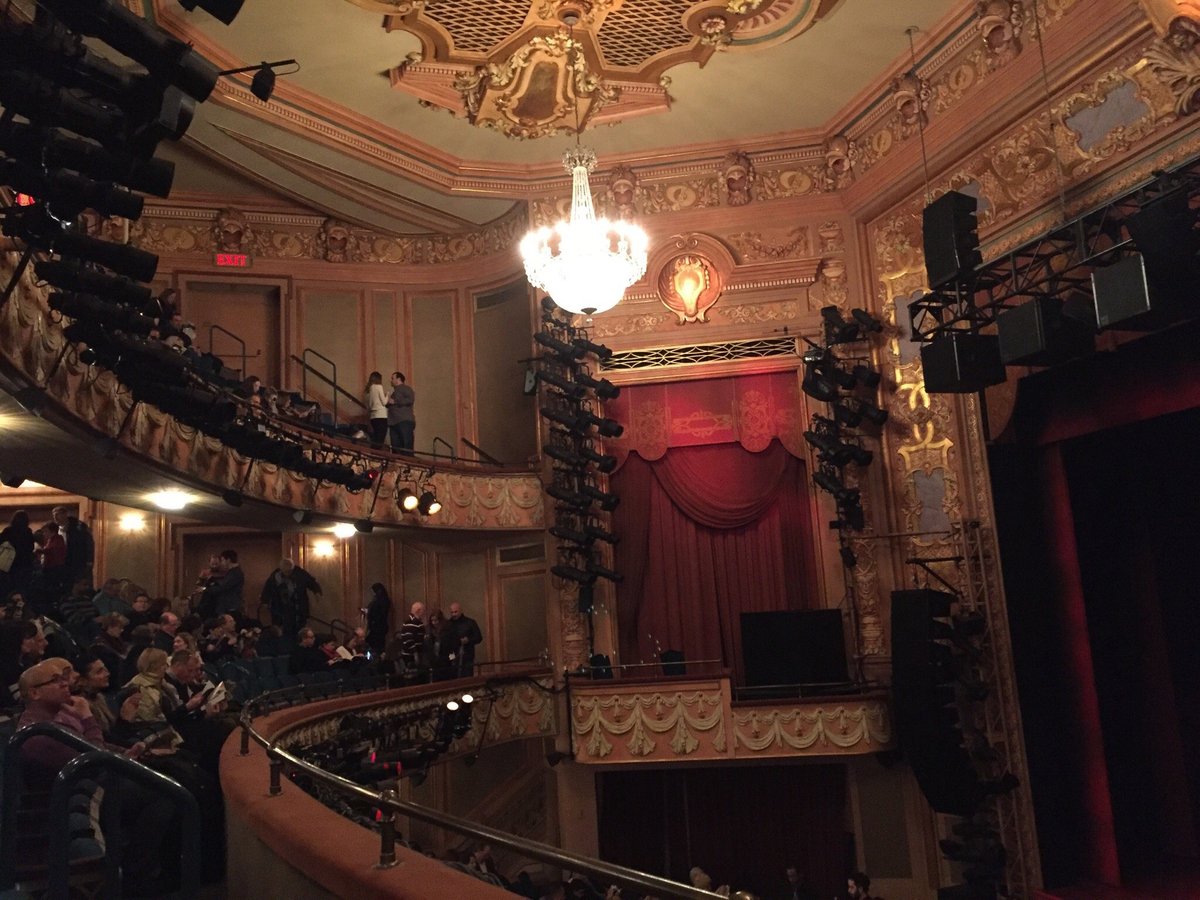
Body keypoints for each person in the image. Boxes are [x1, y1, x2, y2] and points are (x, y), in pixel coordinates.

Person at [260, 558, 321, 639]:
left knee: (298, 632)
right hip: (280, 609)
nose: (287, 574)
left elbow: (311, 582)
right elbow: (267, 589)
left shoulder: (300, 574)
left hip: (298, 609)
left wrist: (316, 592)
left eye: (289, 572)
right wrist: (265, 602)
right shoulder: (275, 576)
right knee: (281, 632)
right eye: (285, 571)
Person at [51, 505, 94, 585]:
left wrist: (89, 560)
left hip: (77, 562)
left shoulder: (78, 528)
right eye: (54, 515)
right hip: (62, 564)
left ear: (64, 515)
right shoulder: (55, 529)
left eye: (57, 515)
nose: (55, 518)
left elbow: (88, 544)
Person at [199, 550, 244, 621]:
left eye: (222, 560)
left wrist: (205, 589)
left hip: (230, 606)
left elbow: (222, 587)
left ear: (228, 560)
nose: (222, 563)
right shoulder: (231, 572)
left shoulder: (235, 573)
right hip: (225, 605)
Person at [442, 602, 482, 679]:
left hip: (467, 656)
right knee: (452, 676)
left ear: (461, 611)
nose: (453, 614)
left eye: (455, 612)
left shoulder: (470, 622)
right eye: (452, 612)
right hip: (452, 654)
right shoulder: (448, 624)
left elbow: (478, 637)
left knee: (467, 678)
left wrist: (468, 640)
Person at [0, 509, 36, 592]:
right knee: (22, 588)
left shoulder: (8, 531)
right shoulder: (28, 531)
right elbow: (31, 547)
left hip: (10, 563)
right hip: (25, 564)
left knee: (10, 587)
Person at [386, 370, 415, 454]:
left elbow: (410, 400)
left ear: (398, 379)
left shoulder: (406, 388)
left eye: (392, 378)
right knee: (395, 447)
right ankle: (397, 465)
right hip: (394, 422)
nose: (391, 380)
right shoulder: (395, 392)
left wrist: (394, 401)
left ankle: (407, 464)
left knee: (406, 446)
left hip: (404, 421)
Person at [399, 600, 425, 676]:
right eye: (423, 611)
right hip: (410, 656)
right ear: (418, 611)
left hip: (413, 654)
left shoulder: (414, 622)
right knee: (413, 677)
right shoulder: (411, 622)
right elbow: (408, 639)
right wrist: (415, 653)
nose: (424, 613)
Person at [364, 582, 391, 654]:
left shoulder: (381, 600)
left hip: (377, 626)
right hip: (378, 626)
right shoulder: (382, 599)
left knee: (375, 645)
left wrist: (369, 613)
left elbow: (379, 613)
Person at [365, 371, 389, 446]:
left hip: (373, 417)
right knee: (380, 438)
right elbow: (384, 402)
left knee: (375, 437)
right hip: (381, 415)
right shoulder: (379, 387)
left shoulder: (368, 390)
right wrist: (387, 394)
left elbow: (369, 405)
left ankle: (373, 454)